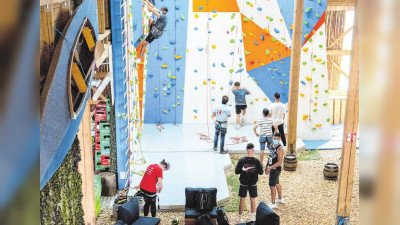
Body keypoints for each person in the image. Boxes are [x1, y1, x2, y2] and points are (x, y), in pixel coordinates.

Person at [235, 143, 263, 222]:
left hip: (243, 182)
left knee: (242, 199)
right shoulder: (257, 161)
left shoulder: (241, 160)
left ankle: (240, 217)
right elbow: (261, 172)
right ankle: (252, 216)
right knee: (252, 199)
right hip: (253, 183)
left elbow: (236, 172)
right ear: (253, 150)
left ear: (246, 150)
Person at [265, 133, 285, 209]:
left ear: (279, 139)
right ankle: (280, 198)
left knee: (272, 185)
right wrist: (267, 166)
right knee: (277, 183)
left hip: (275, 169)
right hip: (271, 167)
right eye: (274, 138)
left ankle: (273, 203)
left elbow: (279, 162)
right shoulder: (271, 146)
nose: (275, 140)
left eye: (277, 139)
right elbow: (270, 156)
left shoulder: (280, 149)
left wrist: (270, 168)